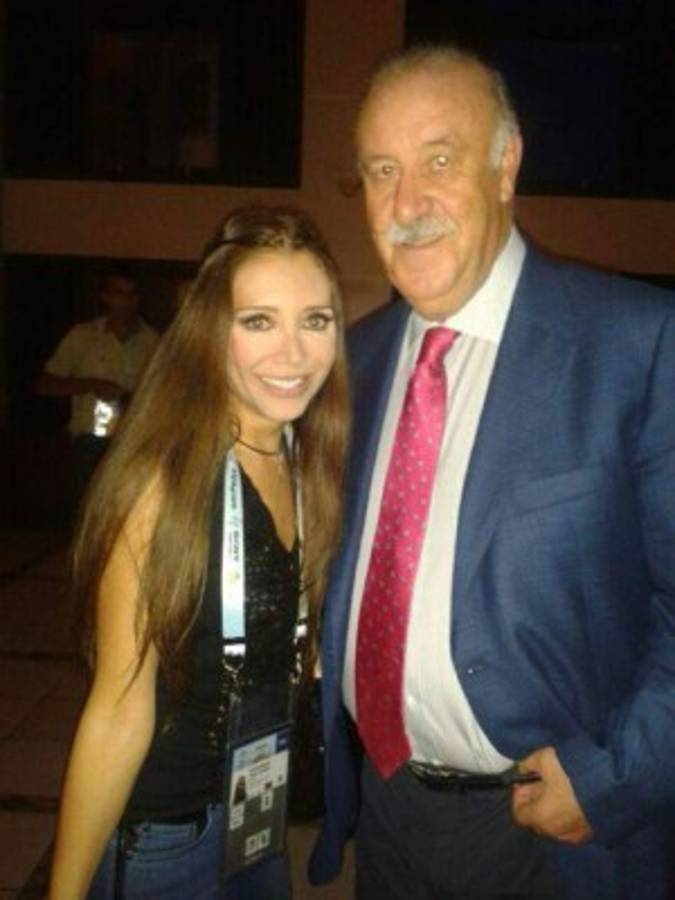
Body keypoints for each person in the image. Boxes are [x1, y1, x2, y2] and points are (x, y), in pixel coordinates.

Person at [309, 42, 675, 900]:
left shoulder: (636, 344)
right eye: (381, 171)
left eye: (439, 161)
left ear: (505, 166)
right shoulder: (353, 364)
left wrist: (617, 773)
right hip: (387, 810)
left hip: (556, 829)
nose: (406, 203)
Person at [47, 207, 349, 900]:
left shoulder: (308, 460)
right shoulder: (163, 484)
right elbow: (118, 711)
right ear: (211, 333)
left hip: (258, 819)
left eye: (315, 320)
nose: (294, 353)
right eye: (259, 321)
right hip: (167, 836)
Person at [37, 268, 159, 509]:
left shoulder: (154, 341)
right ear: (105, 297)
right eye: (119, 293)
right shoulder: (82, 336)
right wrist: (90, 384)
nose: (126, 301)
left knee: (127, 514)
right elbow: (45, 384)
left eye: (132, 294)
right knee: (86, 513)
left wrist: (134, 399)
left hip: (134, 443)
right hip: (88, 444)